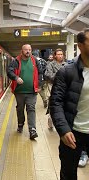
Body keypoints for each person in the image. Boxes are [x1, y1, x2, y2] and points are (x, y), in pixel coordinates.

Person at [49, 28, 89, 180]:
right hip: (73, 133)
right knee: (68, 174)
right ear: (80, 45)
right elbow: (56, 102)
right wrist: (63, 130)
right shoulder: (67, 72)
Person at [7, 44, 42, 139]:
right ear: (22, 51)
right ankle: (20, 124)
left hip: (32, 91)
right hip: (19, 91)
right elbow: (9, 71)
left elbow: (40, 72)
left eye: (30, 50)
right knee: (20, 109)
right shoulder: (16, 61)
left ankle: (32, 130)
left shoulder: (35, 61)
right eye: (26, 50)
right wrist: (16, 77)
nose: (28, 51)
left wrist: (39, 85)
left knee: (31, 108)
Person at [45, 48, 65, 129]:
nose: (60, 56)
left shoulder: (66, 64)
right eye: (58, 54)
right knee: (53, 103)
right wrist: (60, 74)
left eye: (61, 54)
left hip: (64, 87)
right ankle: (51, 119)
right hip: (53, 86)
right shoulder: (50, 64)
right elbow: (49, 75)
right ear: (55, 56)